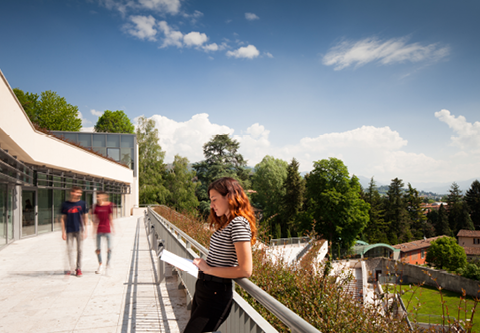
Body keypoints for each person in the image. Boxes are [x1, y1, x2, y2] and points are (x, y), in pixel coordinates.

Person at [183, 177, 257, 333]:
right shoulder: (227, 223)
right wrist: (203, 264)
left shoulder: (238, 224)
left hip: (215, 293)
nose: (211, 205)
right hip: (204, 288)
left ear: (229, 197)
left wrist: (208, 269)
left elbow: (245, 270)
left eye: (214, 199)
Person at [61, 186, 88, 277]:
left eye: (80, 193)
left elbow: (85, 217)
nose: (79, 194)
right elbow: (63, 218)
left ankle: (78, 268)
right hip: (69, 230)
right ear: (72, 193)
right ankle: (71, 267)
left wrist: (86, 230)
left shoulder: (82, 204)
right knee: (69, 250)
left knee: (80, 250)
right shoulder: (65, 204)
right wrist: (63, 232)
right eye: (77, 192)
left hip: (79, 230)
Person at [92, 191, 114, 274]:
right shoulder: (96, 207)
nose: (98, 198)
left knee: (109, 249)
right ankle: (100, 265)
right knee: (98, 249)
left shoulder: (108, 206)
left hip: (107, 229)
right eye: (97, 197)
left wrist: (113, 228)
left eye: (99, 196)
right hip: (99, 230)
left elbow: (110, 217)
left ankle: (108, 264)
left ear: (104, 197)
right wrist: (93, 231)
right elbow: (95, 220)